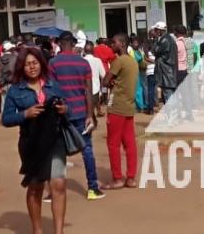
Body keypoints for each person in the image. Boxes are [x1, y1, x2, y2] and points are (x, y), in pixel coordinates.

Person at [2, 46, 69, 234]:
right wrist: (25, 114)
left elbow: (67, 107)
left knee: (59, 183)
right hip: (31, 143)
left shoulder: (52, 85)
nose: (31, 67)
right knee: (35, 186)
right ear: (21, 68)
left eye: (35, 63)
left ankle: (59, 231)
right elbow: (6, 119)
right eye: (27, 64)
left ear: (41, 64)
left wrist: (65, 109)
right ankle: (37, 230)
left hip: (55, 140)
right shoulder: (16, 90)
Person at [49, 32, 104, 200]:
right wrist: (90, 114)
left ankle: (53, 192)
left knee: (57, 152)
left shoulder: (53, 63)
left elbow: (50, 90)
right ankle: (93, 188)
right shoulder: (83, 63)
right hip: (81, 112)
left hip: (60, 112)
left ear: (59, 44)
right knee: (87, 150)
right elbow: (88, 91)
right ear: (73, 44)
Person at [102, 33, 138, 190]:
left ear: (122, 44)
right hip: (128, 107)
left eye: (114, 42)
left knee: (113, 144)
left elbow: (105, 80)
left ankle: (117, 178)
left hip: (116, 106)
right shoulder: (132, 61)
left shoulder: (119, 61)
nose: (112, 44)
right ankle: (130, 178)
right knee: (129, 143)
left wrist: (110, 82)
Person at [151, 22, 176, 106]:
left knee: (168, 95)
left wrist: (154, 40)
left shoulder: (165, 40)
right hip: (168, 71)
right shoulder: (168, 39)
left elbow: (155, 51)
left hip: (166, 72)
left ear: (160, 31)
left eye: (156, 30)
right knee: (168, 94)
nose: (154, 32)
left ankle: (171, 116)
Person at [173, 25, 195, 121]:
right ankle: (189, 114)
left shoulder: (176, 44)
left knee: (176, 94)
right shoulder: (189, 42)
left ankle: (178, 115)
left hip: (177, 71)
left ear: (177, 33)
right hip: (186, 70)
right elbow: (192, 57)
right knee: (186, 94)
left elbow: (173, 58)